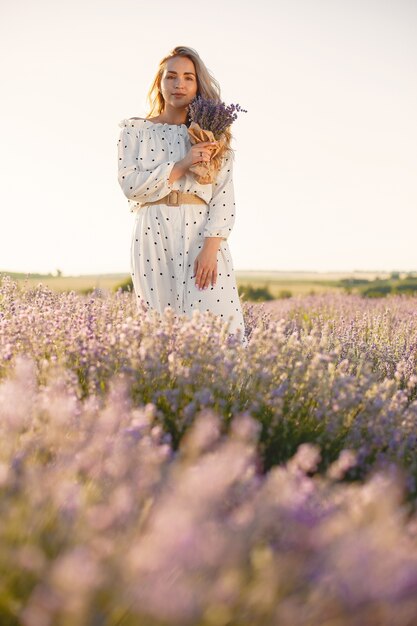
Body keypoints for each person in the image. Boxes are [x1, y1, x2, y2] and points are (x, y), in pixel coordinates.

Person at [117, 45, 247, 346]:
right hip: (152, 229)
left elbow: (223, 196)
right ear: (159, 83)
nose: (179, 84)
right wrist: (183, 164)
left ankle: (228, 393)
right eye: (171, 76)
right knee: (160, 328)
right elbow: (130, 184)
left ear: (197, 85)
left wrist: (211, 248)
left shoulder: (216, 133)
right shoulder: (135, 130)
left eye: (188, 77)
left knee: (217, 325)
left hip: (201, 235)